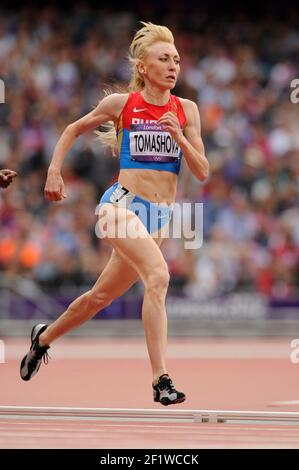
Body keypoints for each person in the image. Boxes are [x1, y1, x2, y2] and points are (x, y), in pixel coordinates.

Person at [20, 22, 209, 406]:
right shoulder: (122, 105)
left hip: (158, 219)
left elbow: (203, 171)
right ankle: (161, 380)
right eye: (164, 58)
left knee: (98, 299)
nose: (173, 65)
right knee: (158, 276)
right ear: (143, 67)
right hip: (119, 207)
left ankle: (43, 339)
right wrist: (54, 170)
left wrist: (179, 139)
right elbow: (73, 129)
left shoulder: (186, 111)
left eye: (176, 59)